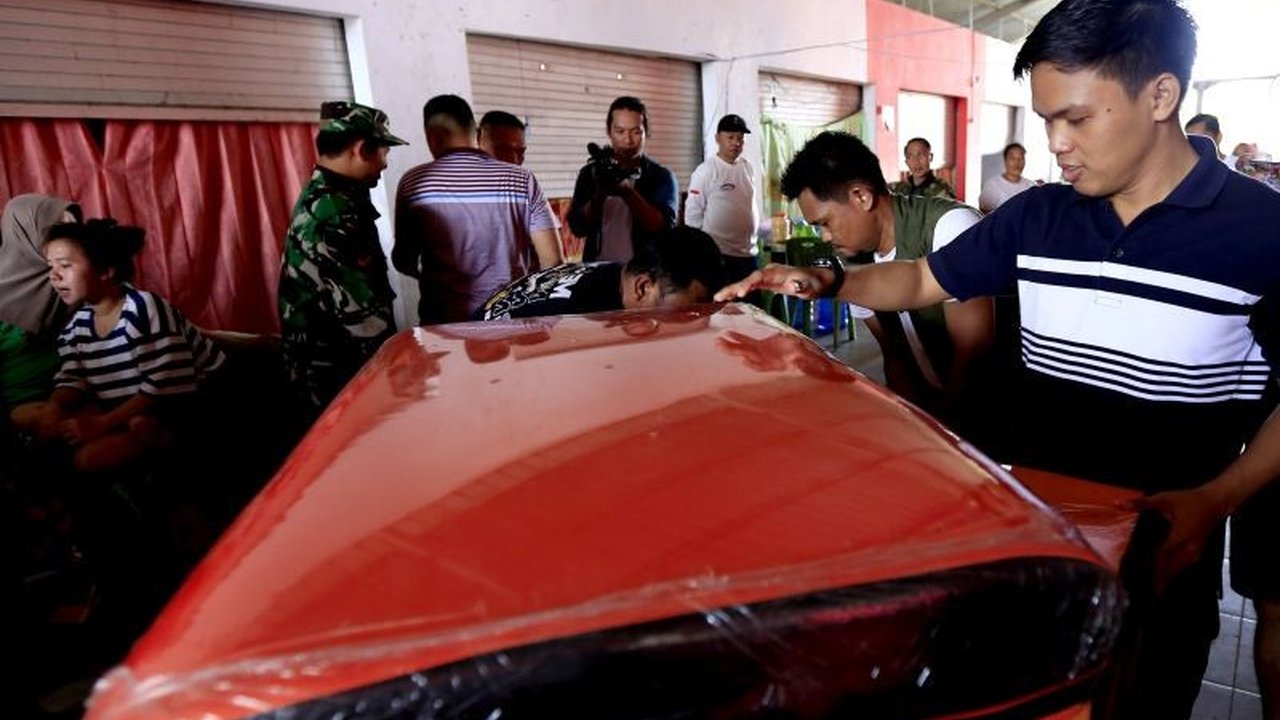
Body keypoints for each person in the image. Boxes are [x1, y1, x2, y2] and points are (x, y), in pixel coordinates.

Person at [717, 2, 1280, 718]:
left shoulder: (1260, 231)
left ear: (1161, 96)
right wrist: (830, 281)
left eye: (1077, 118)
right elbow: (921, 280)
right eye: (1046, 120)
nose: (1056, 144)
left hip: (1166, 558)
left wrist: (1217, 499)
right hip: (1042, 549)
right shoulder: (1038, 215)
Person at [777, 131, 992, 424]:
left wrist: (943, 434)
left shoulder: (951, 228)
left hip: (988, 413)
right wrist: (908, 423)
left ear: (861, 197)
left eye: (825, 223)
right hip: (932, 406)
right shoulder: (852, 260)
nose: (825, 237)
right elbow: (893, 353)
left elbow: (973, 358)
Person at [11, 220, 224, 473]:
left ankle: (165, 443)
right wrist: (54, 407)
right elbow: (73, 377)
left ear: (105, 271)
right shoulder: (77, 325)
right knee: (23, 414)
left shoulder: (143, 308)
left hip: (176, 404)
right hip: (121, 405)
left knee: (91, 457)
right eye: (51, 266)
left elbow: (165, 384)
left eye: (65, 266)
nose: (53, 276)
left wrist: (102, 423)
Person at [278, 100, 405, 415]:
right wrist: (400, 374)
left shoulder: (334, 196)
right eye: (384, 151)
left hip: (337, 369)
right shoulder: (333, 213)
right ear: (361, 149)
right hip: (336, 378)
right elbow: (363, 321)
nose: (385, 164)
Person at [394, 94, 562, 325]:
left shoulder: (414, 182)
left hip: (443, 325)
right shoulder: (522, 180)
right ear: (479, 133)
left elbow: (404, 260)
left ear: (432, 137)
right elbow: (553, 261)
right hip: (511, 321)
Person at [477, 226, 724, 320]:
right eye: (685, 315)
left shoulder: (613, 271)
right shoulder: (587, 322)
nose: (691, 323)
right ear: (643, 288)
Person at [568, 96, 678, 263]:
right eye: (620, 131)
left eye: (636, 132)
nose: (628, 140)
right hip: (598, 269)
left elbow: (663, 229)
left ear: (646, 133)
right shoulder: (590, 173)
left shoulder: (661, 176)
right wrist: (600, 194)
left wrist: (627, 192)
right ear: (609, 131)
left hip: (644, 271)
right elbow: (577, 228)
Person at [0, 195, 81, 409]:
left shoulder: (84, 281)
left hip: (78, 399)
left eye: (73, 228)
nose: (70, 238)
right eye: (57, 229)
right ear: (24, 234)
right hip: (15, 408)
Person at [685, 114, 760, 284]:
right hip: (720, 255)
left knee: (752, 300)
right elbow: (692, 215)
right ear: (718, 138)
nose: (736, 143)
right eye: (730, 137)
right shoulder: (706, 170)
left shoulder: (747, 167)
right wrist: (700, 250)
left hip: (749, 254)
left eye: (740, 138)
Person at [890, 138, 956, 199]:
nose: (916, 161)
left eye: (921, 155)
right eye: (911, 157)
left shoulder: (942, 190)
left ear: (930, 157)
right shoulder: (898, 190)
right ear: (906, 162)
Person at [978, 143, 1036, 213]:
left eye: (1020, 158)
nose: (1017, 163)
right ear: (1005, 160)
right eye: (1013, 158)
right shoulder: (992, 185)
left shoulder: (1031, 186)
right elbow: (984, 213)